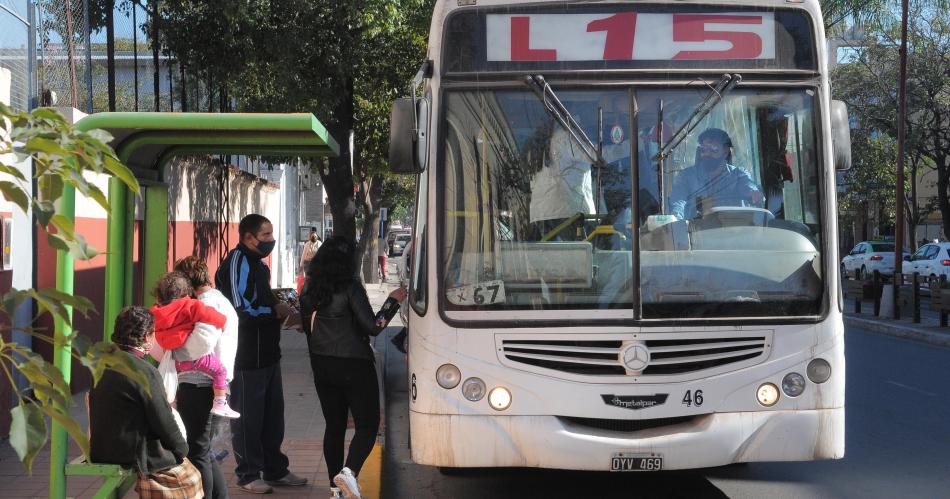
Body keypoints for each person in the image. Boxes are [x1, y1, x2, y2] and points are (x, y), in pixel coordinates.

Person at [299, 236, 408, 499]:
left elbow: (307, 329)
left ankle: (335, 489)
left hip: (323, 366)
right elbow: (373, 326)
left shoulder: (309, 289)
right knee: (368, 425)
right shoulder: (350, 287)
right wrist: (392, 301)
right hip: (355, 365)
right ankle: (349, 472)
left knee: (334, 427)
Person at [215, 214, 306, 494]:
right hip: (246, 357)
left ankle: (275, 469)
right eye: (265, 235)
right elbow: (239, 310)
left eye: (271, 234)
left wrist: (283, 309)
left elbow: (261, 301)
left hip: (268, 354)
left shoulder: (258, 264)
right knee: (248, 419)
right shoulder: (237, 263)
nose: (271, 240)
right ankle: (248, 474)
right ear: (248, 237)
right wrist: (274, 312)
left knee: (272, 417)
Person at [89, 306, 204, 498]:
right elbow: (163, 419)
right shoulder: (144, 370)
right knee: (191, 477)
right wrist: (181, 449)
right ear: (148, 336)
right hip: (131, 453)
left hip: (101, 448)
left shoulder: (103, 363)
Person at [173, 256, 240, 499]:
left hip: (200, 383)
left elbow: (201, 344)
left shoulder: (205, 305)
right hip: (214, 384)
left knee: (198, 452)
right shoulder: (218, 300)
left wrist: (175, 344)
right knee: (204, 451)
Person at [150, 272, 239, 419]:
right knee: (220, 371)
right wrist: (223, 322)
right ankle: (220, 402)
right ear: (186, 293)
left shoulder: (155, 313)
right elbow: (209, 315)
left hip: (174, 360)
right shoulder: (190, 305)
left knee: (169, 383)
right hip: (197, 360)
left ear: (159, 296)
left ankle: (172, 407)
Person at [670, 128, 763, 220]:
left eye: (714, 149)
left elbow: (749, 186)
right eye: (704, 150)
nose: (707, 154)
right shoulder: (686, 176)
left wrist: (754, 193)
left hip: (735, 230)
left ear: (725, 152)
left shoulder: (739, 175)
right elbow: (678, 202)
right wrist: (676, 219)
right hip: (696, 231)